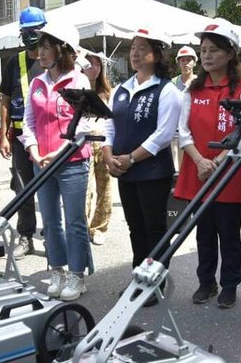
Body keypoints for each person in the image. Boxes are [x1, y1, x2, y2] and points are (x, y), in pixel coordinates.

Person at [174, 19, 241, 309]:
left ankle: (230, 285)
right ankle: (206, 282)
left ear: (230, 53)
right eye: (204, 50)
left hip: (231, 174)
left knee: (229, 231)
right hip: (198, 171)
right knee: (204, 231)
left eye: (214, 50)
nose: (206, 56)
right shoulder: (192, 90)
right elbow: (183, 131)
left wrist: (217, 161)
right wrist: (200, 161)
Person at [20, 23, 93, 301]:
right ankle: (57, 270)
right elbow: (29, 121)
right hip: (42, 162)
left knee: (74, 220)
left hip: (72, 161)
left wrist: (60, 151)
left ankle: (77, 275)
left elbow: (83, 123)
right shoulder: (37, 82)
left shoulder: (79, 81)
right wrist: (34, 149)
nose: (40, 52)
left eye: (47, 47)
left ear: (62, 50)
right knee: (50, 221)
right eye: (41, 47)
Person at [103, 27, 182, 276]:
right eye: (133, 48)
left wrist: (131, 158)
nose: (135, 53)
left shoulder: (167, 90)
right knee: (134, 226)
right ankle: (138, 273)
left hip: (152, 172)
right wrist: (108, 155)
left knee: (155, 227)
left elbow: (163, 135)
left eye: (142, 49)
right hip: (124, 171)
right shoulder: (121, 89)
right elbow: (109, 125)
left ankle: (155, 278)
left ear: (156, 55)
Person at [0, 7, 46, 259]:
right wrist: (4, 134)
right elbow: (5, 98)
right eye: (26, 32)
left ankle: (51, 236)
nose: (31, 36)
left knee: (49, 190)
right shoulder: (13, 62)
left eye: (35, 31)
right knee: (23, 189)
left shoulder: (51, 61)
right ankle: (26, 237)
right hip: (19, 137)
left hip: (47, 137)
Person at [82, 50, 113, 246]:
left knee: (105, 187)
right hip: (84, 143)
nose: (94, 68)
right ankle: (82, 227)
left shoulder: (108, 92)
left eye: (98, 65)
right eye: (90, 64)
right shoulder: (77, 89)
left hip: (104, 142)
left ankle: (100, 227)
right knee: (86, 189)